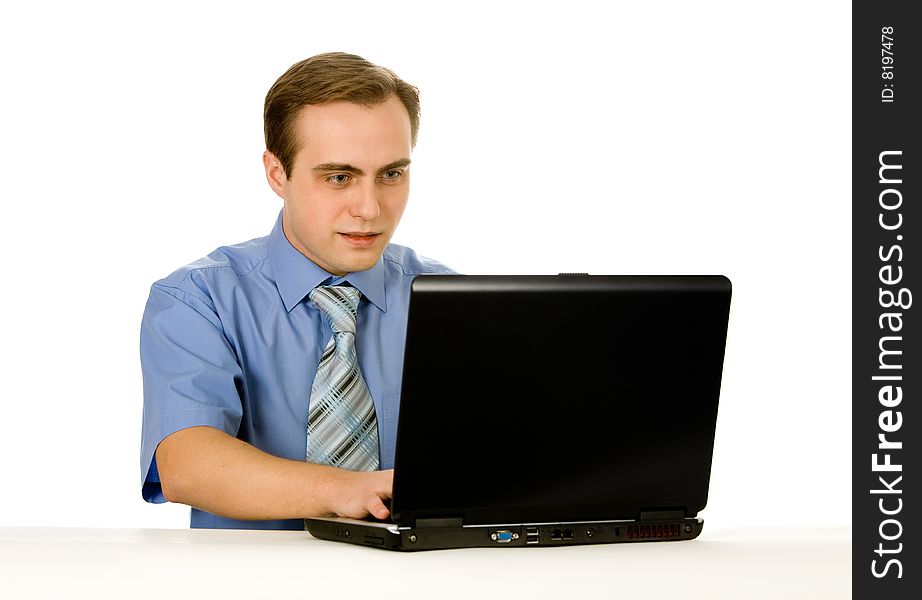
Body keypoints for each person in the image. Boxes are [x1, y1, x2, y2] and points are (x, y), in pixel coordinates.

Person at [139, 52, 454, 530]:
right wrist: (341, 489)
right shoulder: (197, 300)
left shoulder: (448, 298)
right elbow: (186, 465)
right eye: (338, 177)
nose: (369, 208)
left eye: (391, 174)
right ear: (277, 173)